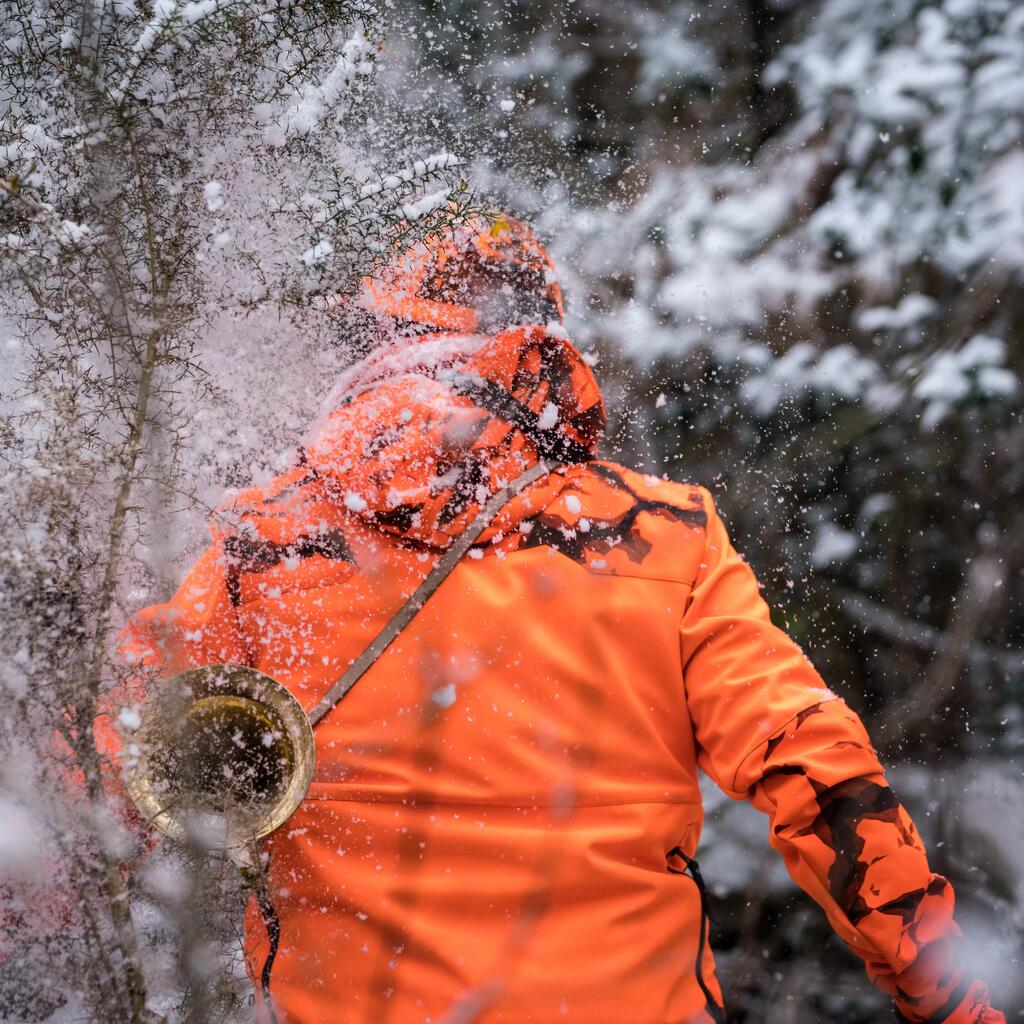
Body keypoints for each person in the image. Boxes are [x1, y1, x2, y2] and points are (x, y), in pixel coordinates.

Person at [126, 216, 1005, 1024]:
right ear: (542, 349)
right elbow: (817, 768)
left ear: (383, 339)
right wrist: (951, 999)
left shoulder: (262, 542)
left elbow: (116, 748)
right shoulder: (665, 533)